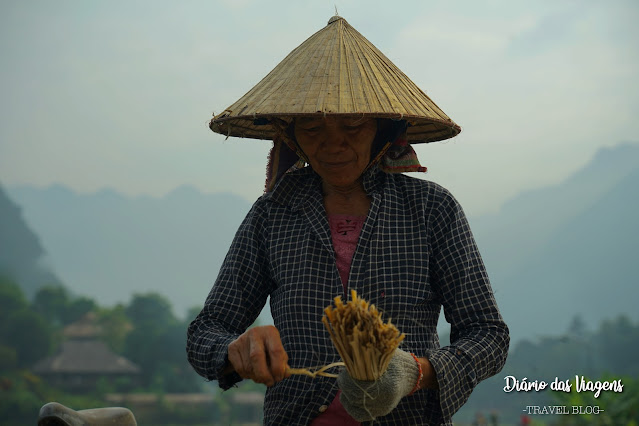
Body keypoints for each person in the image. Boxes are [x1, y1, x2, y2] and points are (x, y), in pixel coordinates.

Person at [187, 15, 509, 426]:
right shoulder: (273, 214)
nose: (333, 142)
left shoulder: (431, 210)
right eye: (312, 126)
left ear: (383, 129)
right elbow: (206, 332)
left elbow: (487, 334)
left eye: (352, 124)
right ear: (291, 134)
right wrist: (235, 349)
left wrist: (415, 373)